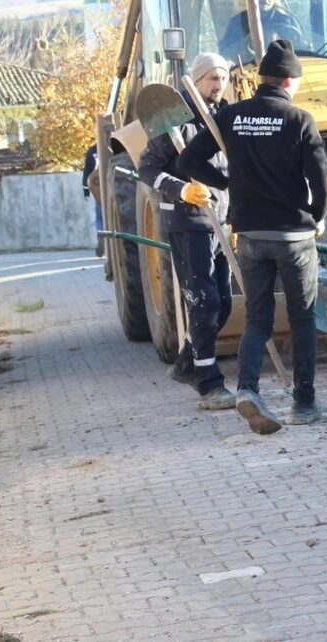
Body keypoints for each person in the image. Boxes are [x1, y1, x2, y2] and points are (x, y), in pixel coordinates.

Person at [178, 40, 327, 434]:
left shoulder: (232, 118)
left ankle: (247, 388)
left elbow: (188, 160)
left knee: (258, 319)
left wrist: (226, 182)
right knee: (301, 318)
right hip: (293, 236)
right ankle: (305, 402)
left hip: (248, 234)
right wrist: (317, 217)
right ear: (288, 81)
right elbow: (322, 181)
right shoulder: (299, 120)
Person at [137, 53, 235, 410]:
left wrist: (234, 215)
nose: (218, 84)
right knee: (204, 301)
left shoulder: (223, 118)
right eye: (211, 77)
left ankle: (184, 364)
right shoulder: (173, 122)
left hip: (218, 221)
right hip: (188, 221)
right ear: (196, 81)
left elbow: (229, 173)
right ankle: (209, 385)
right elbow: (146, 169)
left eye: (223, 77)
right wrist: (182, 190)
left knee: (222, 305)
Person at [218, 0, 308, 62]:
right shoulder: (238, 22)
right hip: (249, 71)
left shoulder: (287, 22)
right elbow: (226, 53)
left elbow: (300, 52)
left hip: (282, 70)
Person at [82, 144, 107, 260]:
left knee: (100, 217)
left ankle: (101, 236)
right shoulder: (111, 146)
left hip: (98, 186)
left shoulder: (92, 150)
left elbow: (87, 170)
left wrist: (86, 191)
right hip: (113, 183)